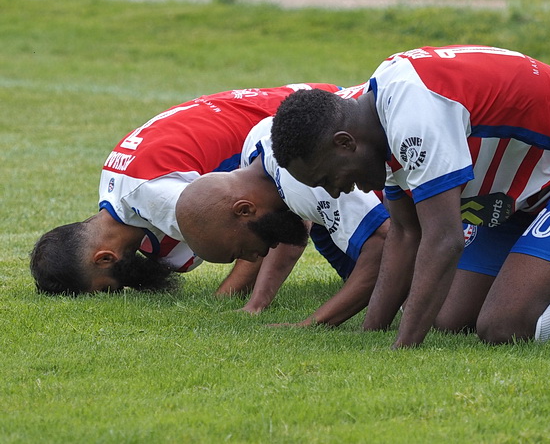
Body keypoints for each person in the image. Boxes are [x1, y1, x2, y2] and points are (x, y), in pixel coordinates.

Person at [270, 45, 550, 348]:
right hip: (533, 194)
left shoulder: (415, 112)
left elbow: (443, 239)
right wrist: (373, 333)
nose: (337, 190)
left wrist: (401, 351)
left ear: (345, 143)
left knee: (504, 325)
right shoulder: (374, 117)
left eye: (330, 177)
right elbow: (405, 234)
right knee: (451, 317)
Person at [29, 84, 385, 317]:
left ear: (104, 257)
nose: (121, 291)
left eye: (108, 289)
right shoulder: (116, 187)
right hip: (297, 108)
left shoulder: (158, 199)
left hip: (311, 132)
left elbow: (256, 222)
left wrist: (230, 298)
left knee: (391, 235)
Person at [176, 115, 389, 326]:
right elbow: (289, 218)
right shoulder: (255, 149)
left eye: (240, 251)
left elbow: (381, 245)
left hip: (404, 184)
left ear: (244, 209)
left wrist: (311, 324)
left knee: (394, 287)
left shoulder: (309, 179)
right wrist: (257, 302)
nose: (250, 259)